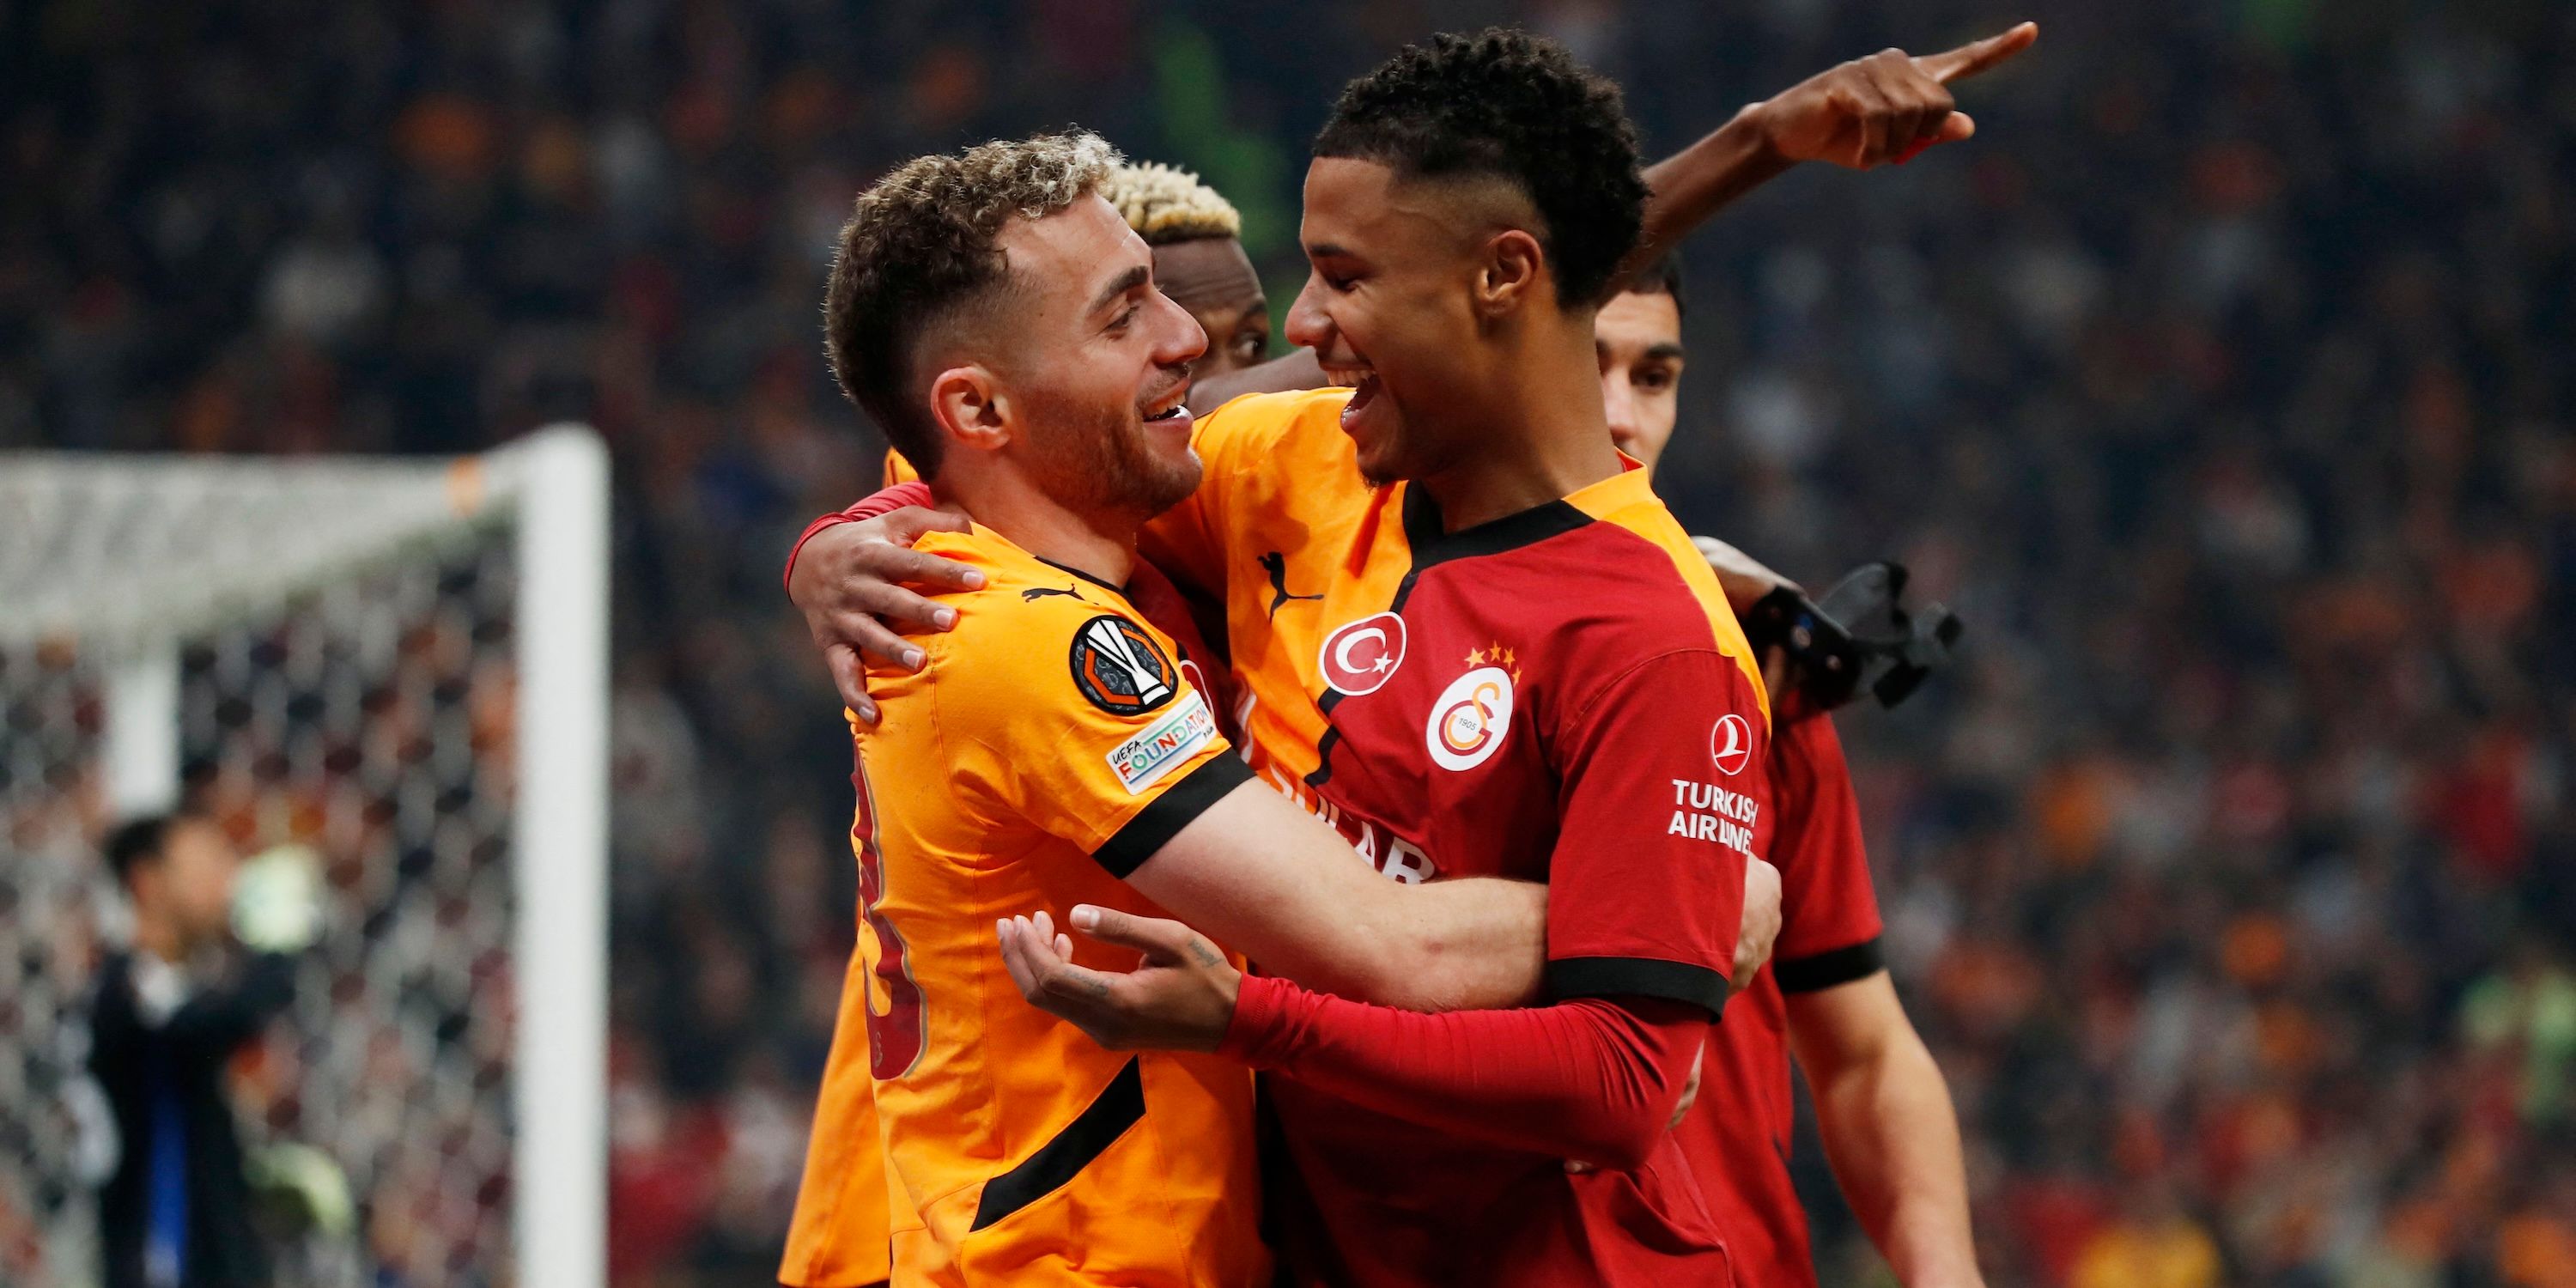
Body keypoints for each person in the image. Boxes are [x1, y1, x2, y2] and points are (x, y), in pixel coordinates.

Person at [775, 130, 1779, 1288]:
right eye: (1122, 317)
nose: (1192, 351)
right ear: (980, 407)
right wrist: (1676, 905)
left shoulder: (1115, 571)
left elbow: (1464, 299)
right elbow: (1382, 943)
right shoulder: (1018, 633)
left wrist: (826, 538)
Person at [87, 813, 318, 1288]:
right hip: (162, 1259)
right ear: (147, 882)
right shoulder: (123, 995)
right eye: (206, 866)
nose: (227, 882)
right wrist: (278, 950)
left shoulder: (177, 991)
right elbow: (206, 1026)